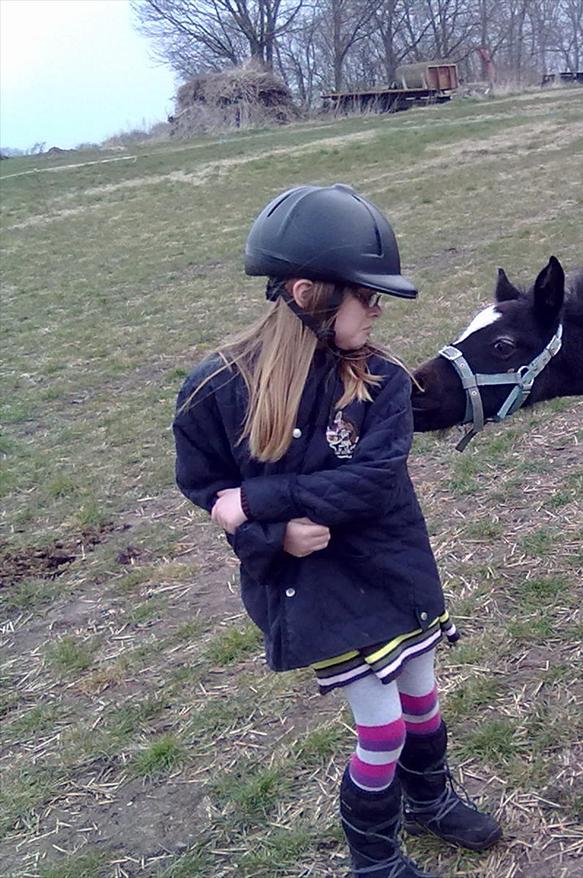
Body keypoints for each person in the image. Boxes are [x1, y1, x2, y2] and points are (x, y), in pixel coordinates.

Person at [173, 183, 501, 877]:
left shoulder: (383, 380)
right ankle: (374, 859)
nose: (378, 310)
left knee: (422, 700)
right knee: (382, 730)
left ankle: (429, 800)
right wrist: (273, 537)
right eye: (367, 295)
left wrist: (259, 499)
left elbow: (372, 483)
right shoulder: (216, 389)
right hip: (319, 589)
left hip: (394, 566)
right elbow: (208, 492)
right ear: (308, 295)